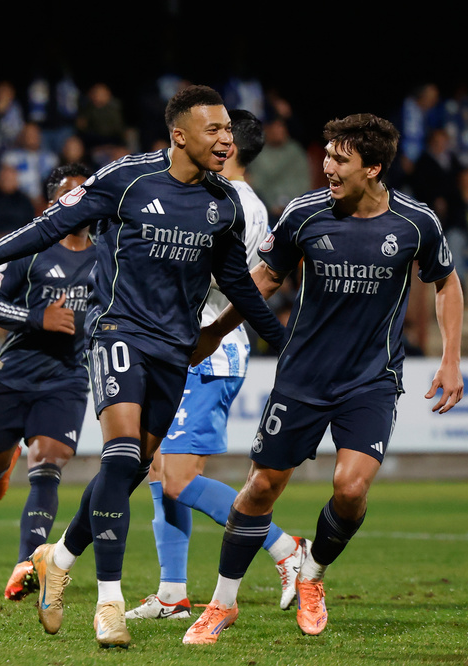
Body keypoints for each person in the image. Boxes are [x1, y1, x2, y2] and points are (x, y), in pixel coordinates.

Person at [0, 84, 287, 649]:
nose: (226, 139)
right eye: (214, 129)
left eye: (227, 131)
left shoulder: (224, 204)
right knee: (119, 457)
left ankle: (59, 557)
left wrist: (282, 340)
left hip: (175, 351)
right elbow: (44, 227)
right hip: (116, 333)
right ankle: (109, 603)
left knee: (130, 470)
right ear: (179, 135)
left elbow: (238, 282)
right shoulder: (126, 179)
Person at [182, 113, 464, 644]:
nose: (327, 167)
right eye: (328, 155)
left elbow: (446, 282)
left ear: (373, 168)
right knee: (262, 486)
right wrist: (217, 330)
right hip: (303, 378)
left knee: (351, 489)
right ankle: (222, 604)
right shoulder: (304, 214)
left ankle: (312, 573)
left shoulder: (415, 222)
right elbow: (263, 277)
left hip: (371, 380)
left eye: (340, 159)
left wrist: (451, 358)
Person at [127, 110, 308, 622]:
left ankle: (285, 548)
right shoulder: (222, 198)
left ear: (230, 149)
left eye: (220, 135)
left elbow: (235, 283)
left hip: (212, 350)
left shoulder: (238, 206)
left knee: (180, 478)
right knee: (160, 472)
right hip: (187, 349)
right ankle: (171, 594)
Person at [0, 163, 94, 601]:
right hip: (15, 375)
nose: (77, 202)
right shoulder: (31, 250)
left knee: (49, 463)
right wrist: (37, 318)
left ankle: (26, 563)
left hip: (66, 379)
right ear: (52, 203)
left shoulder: (109, 257)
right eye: (68, 194)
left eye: (85, 194)